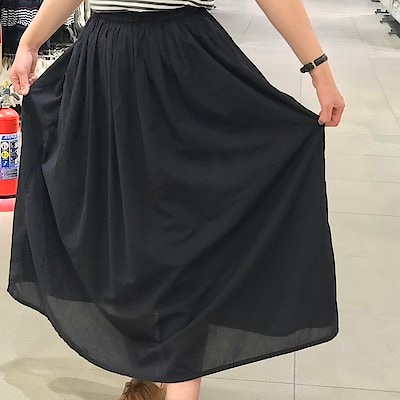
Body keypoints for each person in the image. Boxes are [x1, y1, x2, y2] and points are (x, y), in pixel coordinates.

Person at [8, 0, 345, 399]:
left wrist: (30, 42)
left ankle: (163, 373)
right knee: (158, 228)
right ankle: (157, 369)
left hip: (131, 61)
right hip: (145, 62)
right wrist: (29, 42)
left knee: (157, 229)